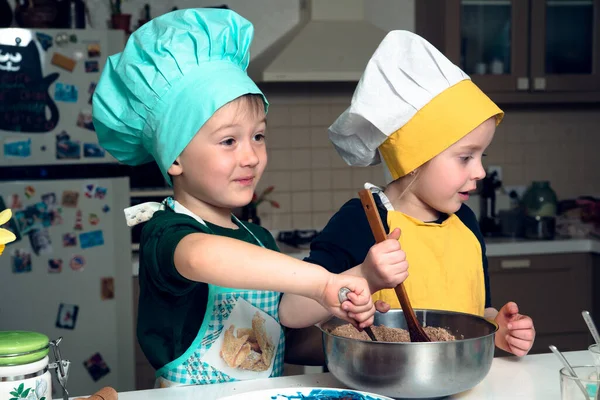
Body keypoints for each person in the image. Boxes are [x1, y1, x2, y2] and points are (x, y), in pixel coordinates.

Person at [92, 8, 406, 387]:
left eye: (258, 136)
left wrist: (360, 278)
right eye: (229, 141)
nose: (251, 156)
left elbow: (287, 313)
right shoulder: (167, 234)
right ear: (175, 156)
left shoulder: (258, 239)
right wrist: (320, 281)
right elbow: (203, 256)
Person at [299, 30, 536, 357]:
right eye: (466, 157)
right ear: (413, 160)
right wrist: (366, 277)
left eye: (483, 157)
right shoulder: (362, 221)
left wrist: (500, 331)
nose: (480, 172)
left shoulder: (465, 220)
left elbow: (477, 313)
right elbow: (292, 312)